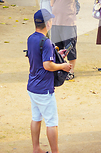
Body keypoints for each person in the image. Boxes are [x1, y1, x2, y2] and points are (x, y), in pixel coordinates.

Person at [26, 9, 72, 153]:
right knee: (52, 122)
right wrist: (63, 66)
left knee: (36, 118)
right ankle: (55, 151)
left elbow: (39, 58)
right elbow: (47, 65)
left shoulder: (31, 38)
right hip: (44, 88)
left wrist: (56, 54)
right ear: (48, 23)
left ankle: (36, 148)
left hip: (32, 85)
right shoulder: (45, 42)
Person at [50, 0, 80, 80]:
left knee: (70, 48)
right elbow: (51, 0)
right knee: (56, 47)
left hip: (68, 21)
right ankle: (60, 69)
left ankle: (71, 70)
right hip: (56, 21)